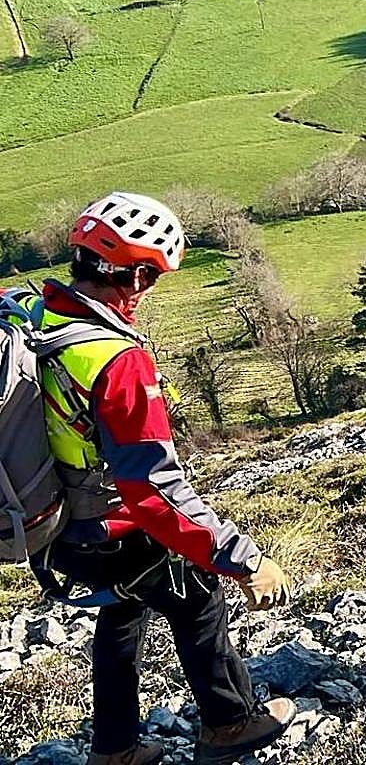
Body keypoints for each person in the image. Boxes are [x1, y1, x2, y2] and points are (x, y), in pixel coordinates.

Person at [7, 193, 296, 765]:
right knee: (198, 599)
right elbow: (152, 487)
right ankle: (230, 724)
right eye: (154, 277)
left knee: (123, 610)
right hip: (112, 529)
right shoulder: (115, 359)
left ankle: (115, 750)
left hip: (52, 526)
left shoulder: (29, 316)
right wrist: (242, 558)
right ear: (136, 275)